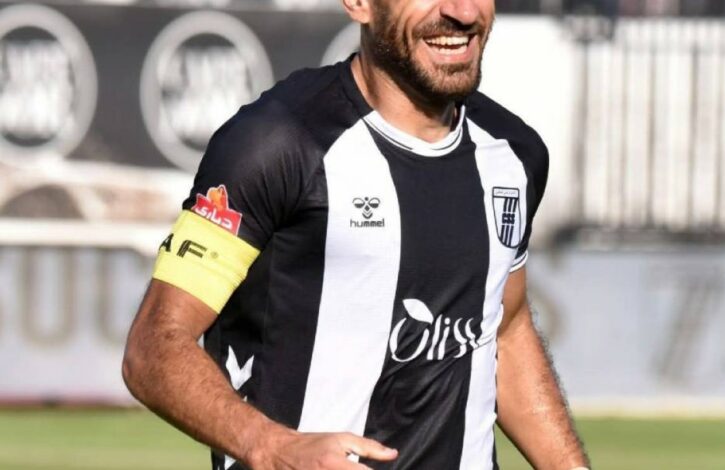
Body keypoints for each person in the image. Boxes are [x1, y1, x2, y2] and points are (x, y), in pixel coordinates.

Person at [122, 0, 590, 469]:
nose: (463, 12)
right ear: (359, 4)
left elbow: (505, 330)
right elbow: (153, 346)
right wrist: (270, 445)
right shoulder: (276, 143)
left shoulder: (514, 155)